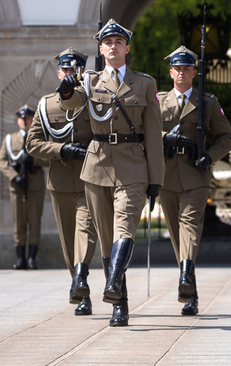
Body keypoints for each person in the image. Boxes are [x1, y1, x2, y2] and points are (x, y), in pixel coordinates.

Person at [57, 19, 164, 328]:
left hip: (132, 165)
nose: (114, 46)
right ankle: (121, 303)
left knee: (124, 228)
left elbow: (155, 136)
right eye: (108, 42)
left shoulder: (144, 84)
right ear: (101, 49)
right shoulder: (90, 81)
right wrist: (66, 91)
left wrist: (156, 179)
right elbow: (74, 103)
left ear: (127, 48)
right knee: (106, 241)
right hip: (97, 166)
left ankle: (113, 285)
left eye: (119, 41)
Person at [158, 45, 231, 316]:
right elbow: (144, 135)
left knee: (189, 226)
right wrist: (164, 139)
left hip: (195, 173)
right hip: (167, 175)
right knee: (177, 234)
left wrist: (210, 157)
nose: (182, 72)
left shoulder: (208, 102)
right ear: (171, 72)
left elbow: (227, 138)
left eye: (187, 68)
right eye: (177, 68)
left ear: (194, 72)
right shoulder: (158, 102)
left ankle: (185, 276)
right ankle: (190, 287)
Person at [25, 47, 98, 316]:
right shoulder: (46, 104)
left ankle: (80, 273)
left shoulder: (93, 99)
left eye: (75, 70)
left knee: (86, 231)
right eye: (66, 70)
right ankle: (80, 288)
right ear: (59, 73)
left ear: (82, 71)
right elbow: (31, 144)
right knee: (68, 240)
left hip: (91, 178)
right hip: (61, 181)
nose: (70, 74)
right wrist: (61, 150)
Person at [0, 105, 46, 270]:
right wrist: (14, 176)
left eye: (29, 118)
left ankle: (32, 258)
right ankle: (20, 259)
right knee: (19, 223)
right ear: (18, 120)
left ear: (33, 119)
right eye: (22, 118)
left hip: (35, 186)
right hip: (18, 186)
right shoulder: (10, 139)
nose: (25, 121)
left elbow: (49, 158)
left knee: (34, 222)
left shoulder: (40, 138)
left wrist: (34, 160)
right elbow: (1, 161)